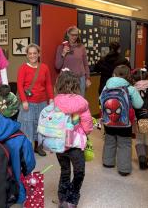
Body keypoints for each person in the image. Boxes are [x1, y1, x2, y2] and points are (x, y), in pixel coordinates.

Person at [53, 69, 94, 208]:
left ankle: (62, 197)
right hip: (75, 143)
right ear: (76, 85)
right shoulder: (81, 102)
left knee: (64, 170)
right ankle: (71, 199)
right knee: (79, 171)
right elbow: (87, 123)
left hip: (59, 143)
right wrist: (86, 132)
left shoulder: (54, 102)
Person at [100, 65, 143, 176]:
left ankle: (108, 162)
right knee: (124, 144)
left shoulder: (106, 87)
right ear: (128, 76)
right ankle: (124, 169)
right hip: (125, 123)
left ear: (114, 75)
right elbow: (139, 104)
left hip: (108, 122)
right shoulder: (130, 89)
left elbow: (101, 100)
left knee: (109, 141)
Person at [17, 43, 54, 156]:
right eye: (30, 53)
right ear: (27, 55)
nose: (32, 55)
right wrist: (24, 100)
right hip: (28, 102)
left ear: (38, 54)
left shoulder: (44, 68)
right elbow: (19, 85)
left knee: (40, 125)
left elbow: (48, 84)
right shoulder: (23, 68)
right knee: (27, 126)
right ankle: (26, 149)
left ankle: (39, 147)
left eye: (35, 53)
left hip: (42, 102)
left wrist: (51, 98)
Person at [55, 26, 91, 96]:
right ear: (68, 34)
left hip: (80, 79)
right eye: (72, 35)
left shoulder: (81, 47)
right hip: (66, 80)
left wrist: (87, 78)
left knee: (79, 102)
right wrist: (63, 54)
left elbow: (85, 64)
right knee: (66, 102)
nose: (74, 37)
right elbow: (57, 66)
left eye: (76, 35)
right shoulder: (61, 47)